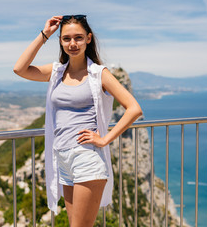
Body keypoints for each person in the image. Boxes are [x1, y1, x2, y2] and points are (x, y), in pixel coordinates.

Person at [13, 15, 142, 227]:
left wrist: (104, 139)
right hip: (62, 158)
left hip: (86, 158)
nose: (72, 44)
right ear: (61, 41)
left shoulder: (99, 74)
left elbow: (134, 108)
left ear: (88, 39)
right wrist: (44, 34)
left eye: (78, 38)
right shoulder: (56, 72)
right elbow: (20, 69)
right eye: (66, 39)